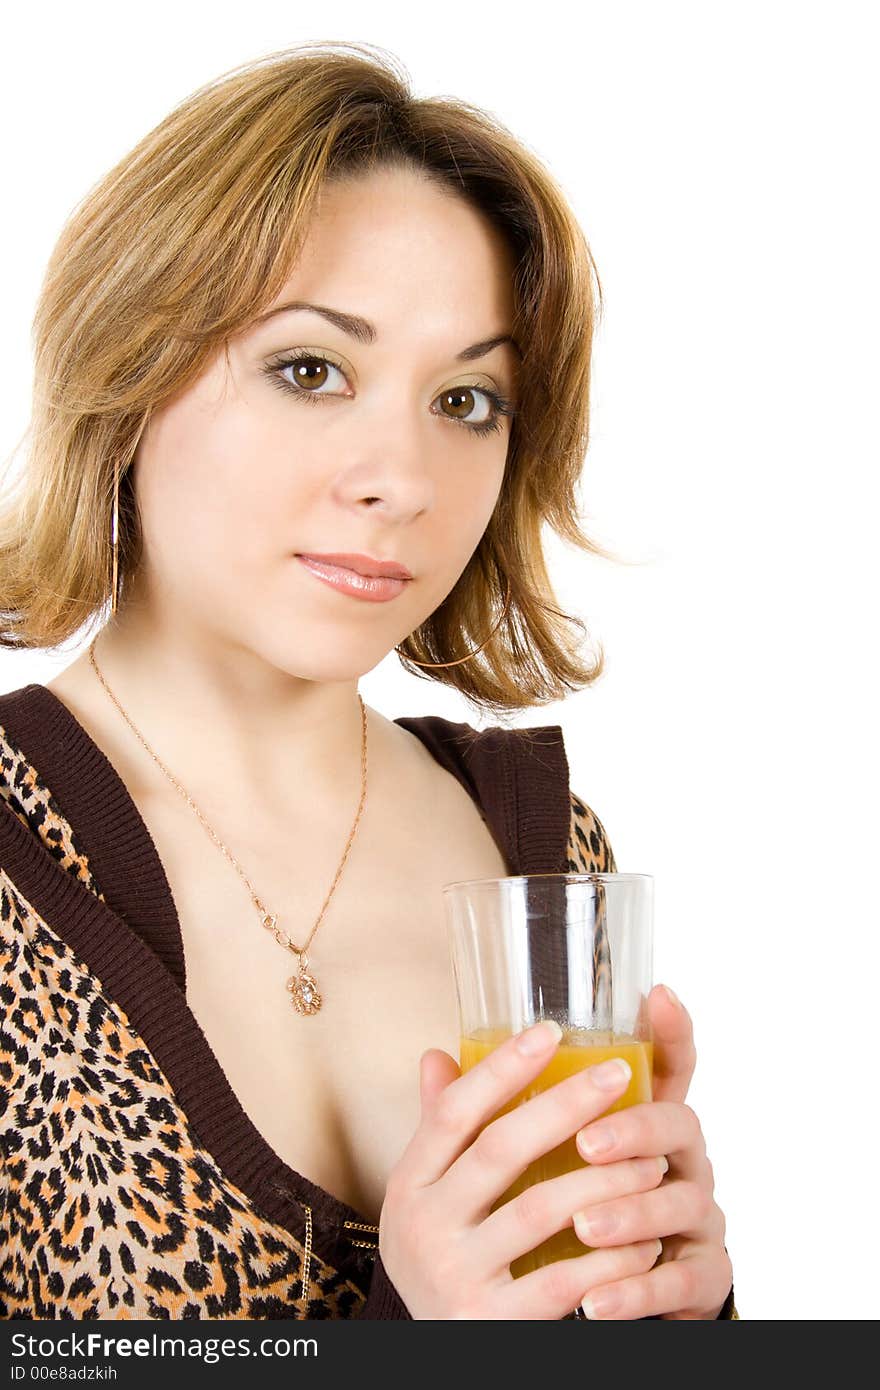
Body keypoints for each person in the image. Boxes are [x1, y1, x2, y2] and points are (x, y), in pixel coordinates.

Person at [0, 41, 735, 1321]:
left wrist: (682, 1326)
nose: (401, 476)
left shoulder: (544, 856)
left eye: (465, 399)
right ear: (125, 375)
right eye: (309, 370)